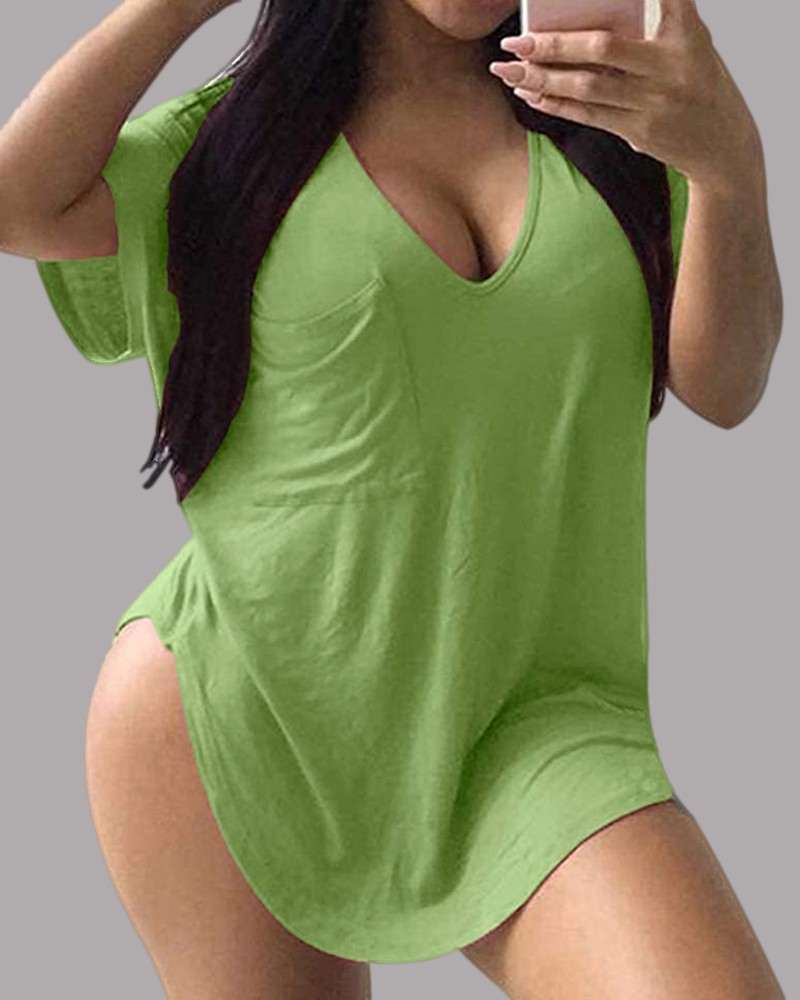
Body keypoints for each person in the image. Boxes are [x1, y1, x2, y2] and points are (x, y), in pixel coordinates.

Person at [0, 0, 784, 997]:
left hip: (536, 725)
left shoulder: (620, 119)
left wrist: (729, 162)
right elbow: (18, 203)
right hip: (240, 712)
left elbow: (724, 386)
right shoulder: (226, 147)